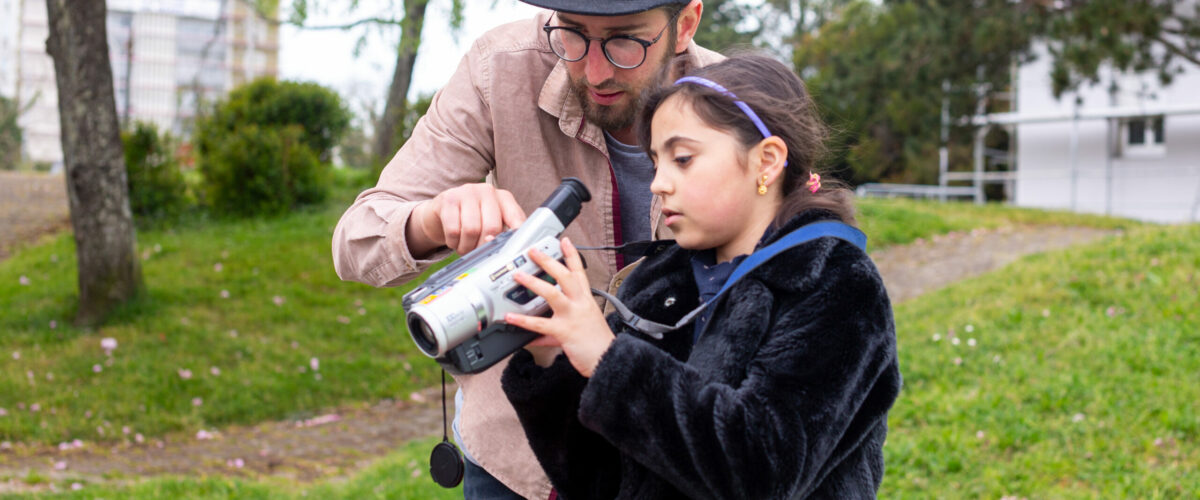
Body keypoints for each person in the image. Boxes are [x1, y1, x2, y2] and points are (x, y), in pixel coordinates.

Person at [331, 0, 722, 497]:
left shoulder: (739, 103)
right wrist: (433, 218)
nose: (594, 70)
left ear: (685, 24)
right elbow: (355, 240)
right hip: (521, 456)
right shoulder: (498, 66)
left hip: (676, 453)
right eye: (574, 34)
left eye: (626, 39)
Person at [499, 54, 902, 499]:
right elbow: (595, 481)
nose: (658, 183)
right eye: (656, 162)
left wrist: (607, 359)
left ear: (767, 161)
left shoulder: (833, 283)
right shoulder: (656, 283)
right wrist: (552, 359)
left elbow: (762, 470)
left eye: (683, 159)